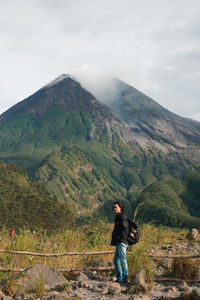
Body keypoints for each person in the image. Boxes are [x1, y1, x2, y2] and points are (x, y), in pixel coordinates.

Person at [111, 201, 129, 283]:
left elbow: (125, 228)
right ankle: (120, 278)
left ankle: (124, 279)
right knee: (116, 260)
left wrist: (119, 237)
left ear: (120, 208)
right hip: (120, 241)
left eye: (116, 207)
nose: (114, 208)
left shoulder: (122, 217)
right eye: (113, 207)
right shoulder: (119, 216)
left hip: (121, 242)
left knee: (122, 260)